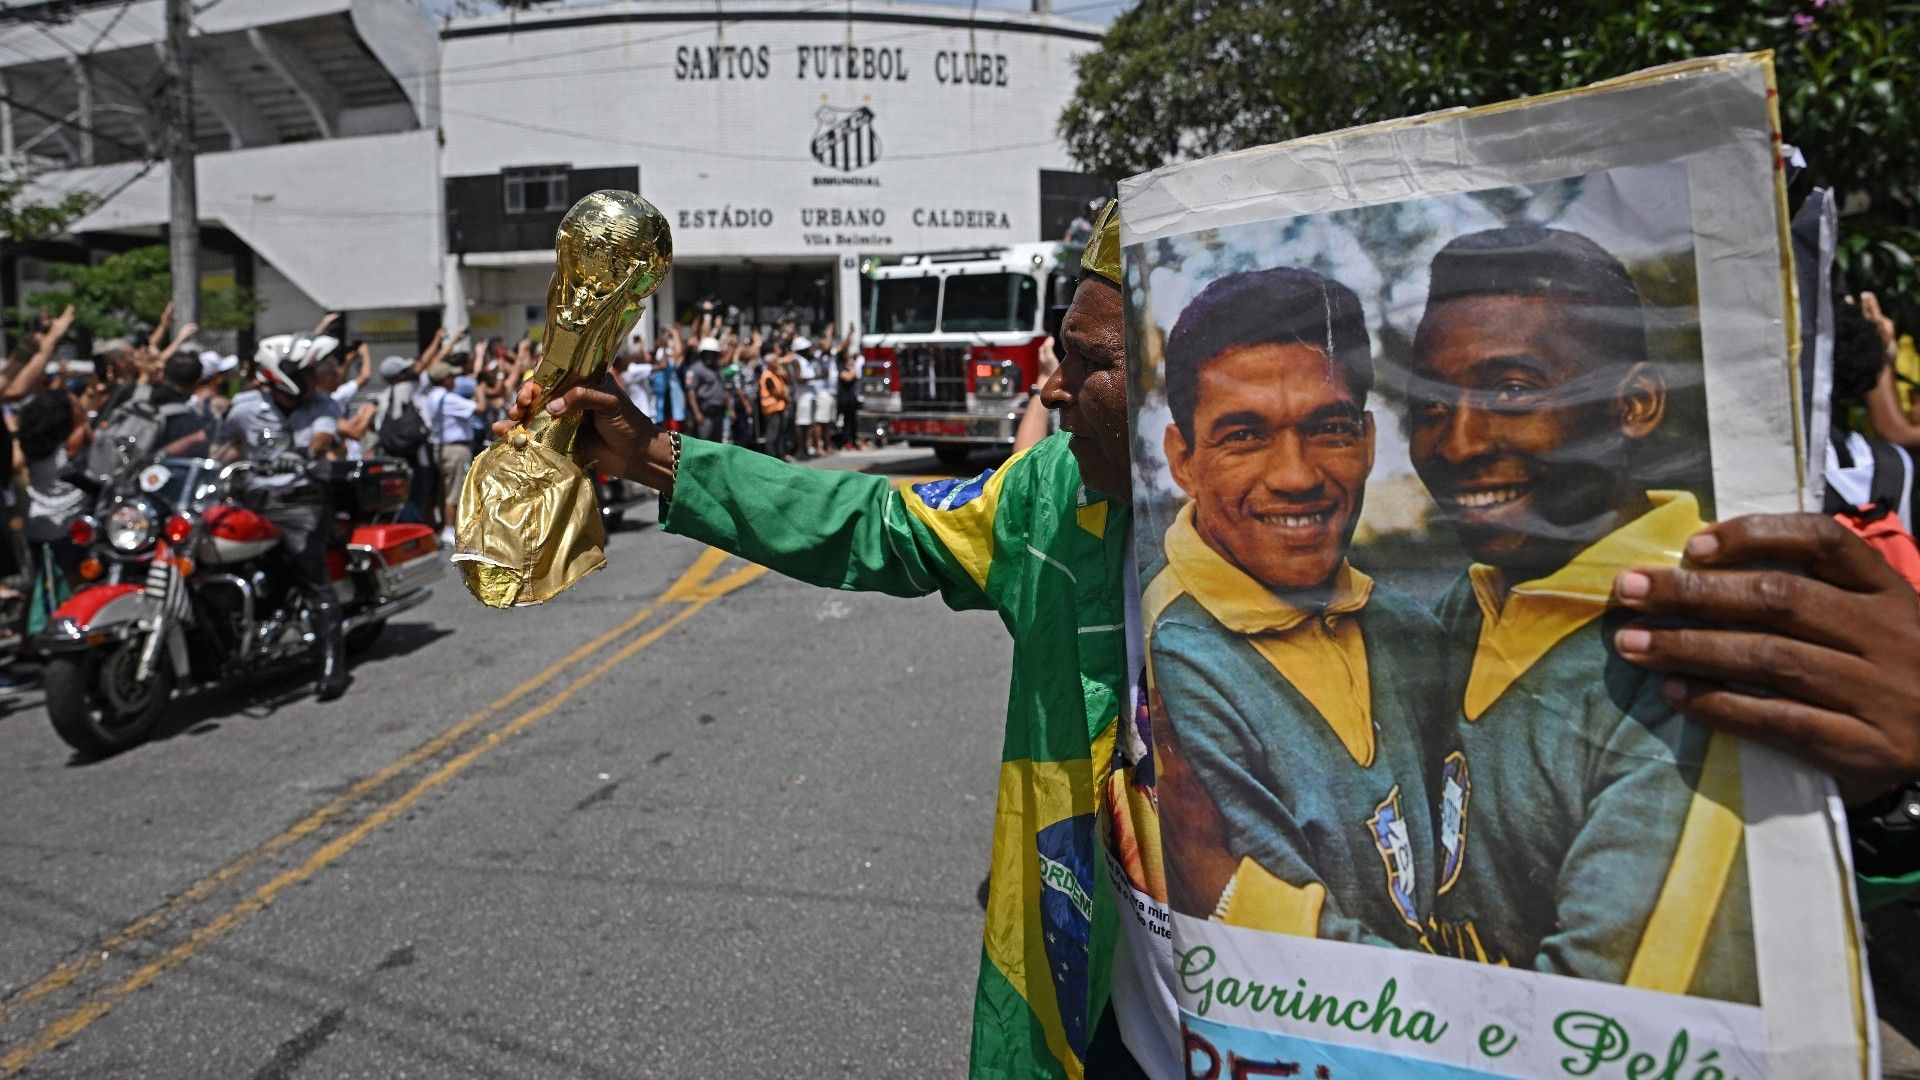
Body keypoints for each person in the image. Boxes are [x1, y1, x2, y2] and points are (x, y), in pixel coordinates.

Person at [499, 206, 1920, 1077]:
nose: (1059, 385)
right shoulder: (1050, 494)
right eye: (1064, 353)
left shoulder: (1439, 591)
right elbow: (885, 532)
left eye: (1094, 361)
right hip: (1085, 1016)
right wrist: (664, 463)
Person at [1407, 226, 1752, 999]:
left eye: (1514, 391)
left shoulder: (1692, 655)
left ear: (1634, 403)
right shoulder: (1474, 601)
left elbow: (1604, 1020)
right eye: (1430, 403)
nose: (1458, 442)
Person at [1145, 267, 1447, 947]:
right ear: (1182, 459)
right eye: (1244, 436)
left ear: (1369, 442)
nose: (1296, 476)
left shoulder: (1407, 629)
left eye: (1329, 429)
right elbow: (1283, 970)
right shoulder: (1176, 662)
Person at [218, 334, 349, 700]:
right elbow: (225, 446)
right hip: (253, 500)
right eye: (305, 372)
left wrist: (305, 452)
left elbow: (324, 436)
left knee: (310, 572)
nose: (314, 378)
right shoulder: (243, 408)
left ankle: (331, 664)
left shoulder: (321, 403)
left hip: (301, 502)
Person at [420, 361, 478, 543]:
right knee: (455, 490)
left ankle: (445, 525)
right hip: (455, 448)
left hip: (440, 448)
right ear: (445, 380)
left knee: (445, 489)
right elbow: (478, 408)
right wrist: (480, 391)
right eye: (451, 377)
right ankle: (449, 529)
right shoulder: (449, 398)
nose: (454, 380)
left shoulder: (430, 396)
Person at [683, 338, 729, 443]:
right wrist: (697, 413)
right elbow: (691, 393)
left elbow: (723, 390)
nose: (710, 356)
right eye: (707, 353)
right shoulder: (695, 369)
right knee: (703, 443)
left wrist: (730, 409)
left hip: (719, 413)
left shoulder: (717, 369)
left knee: (718, 444)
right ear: (702, 353)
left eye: (713, 353)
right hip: (704, 414)